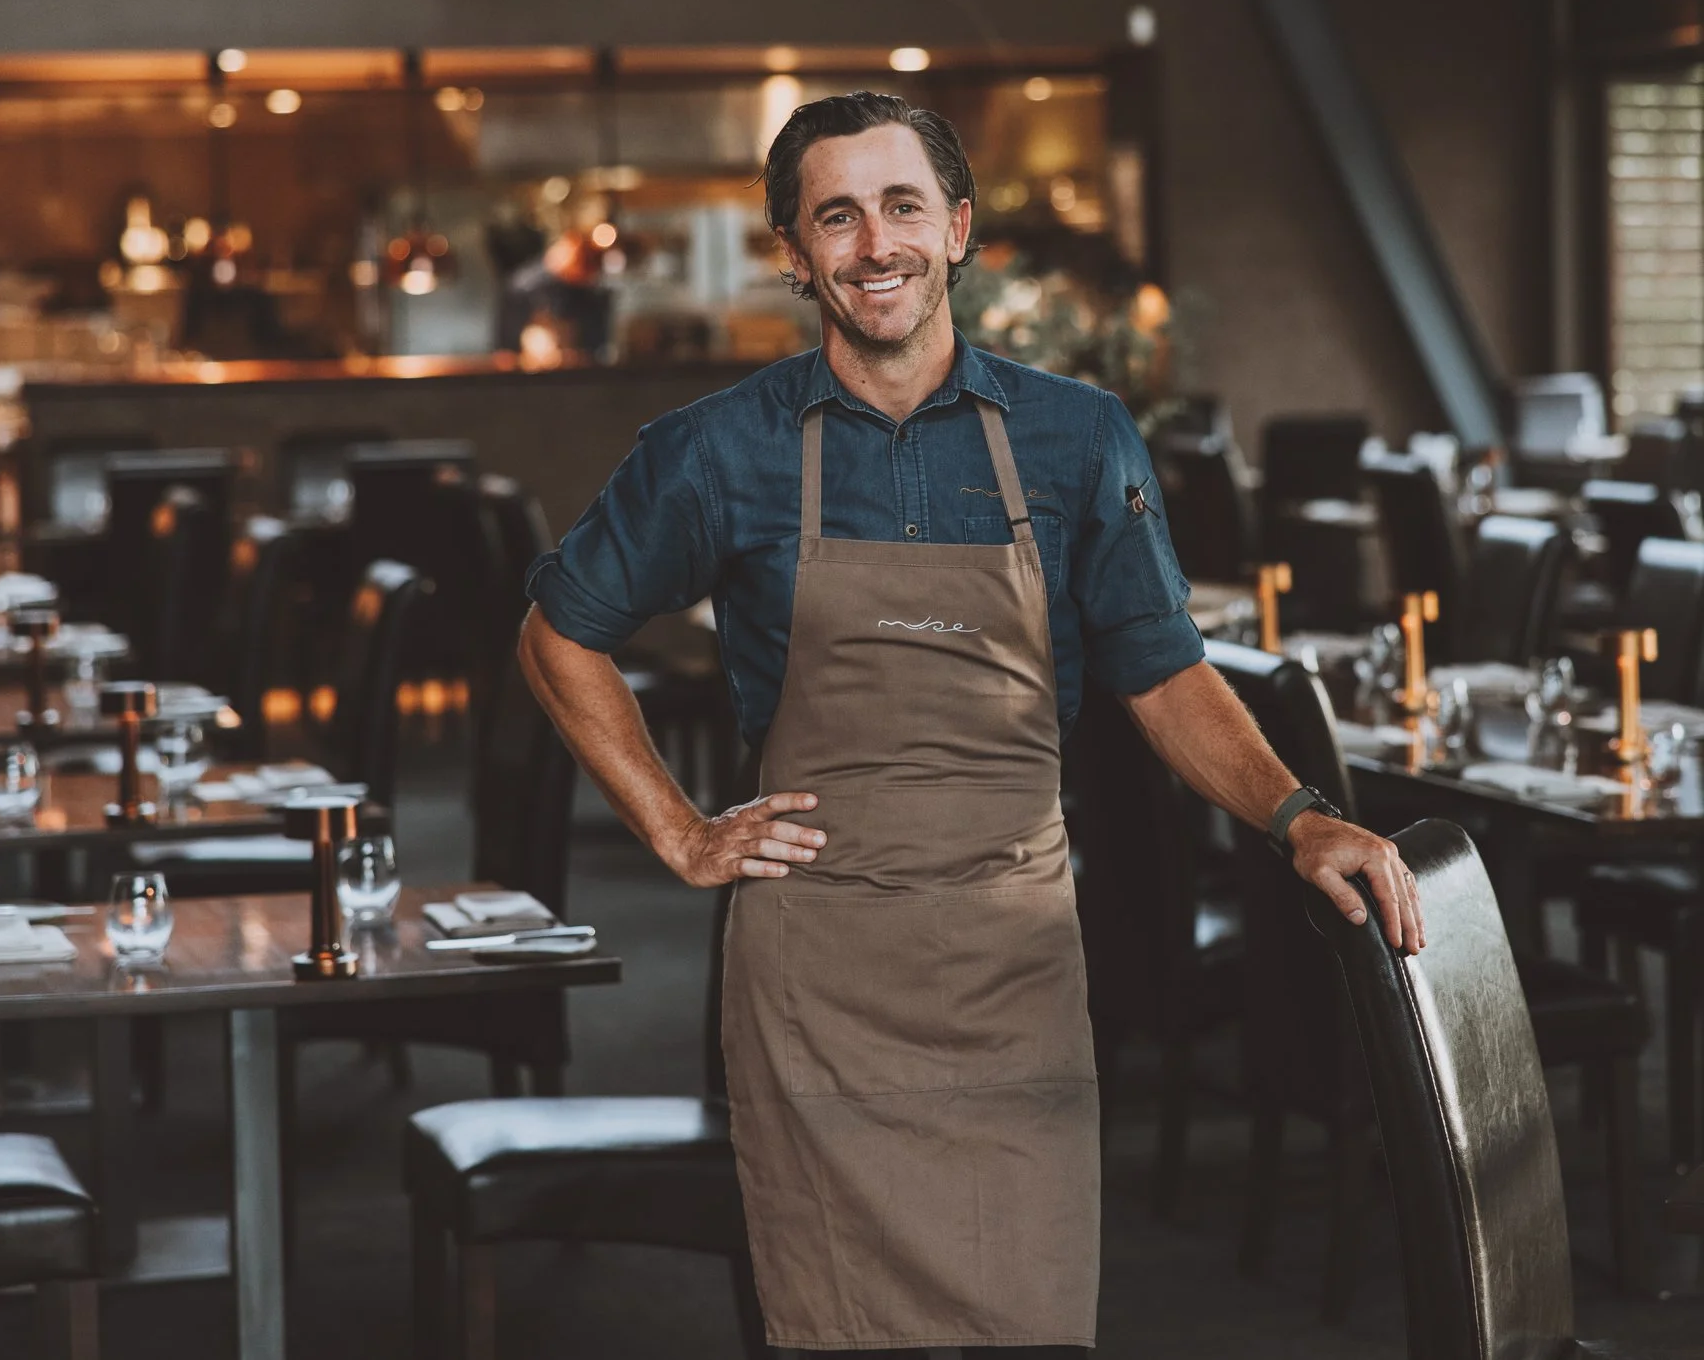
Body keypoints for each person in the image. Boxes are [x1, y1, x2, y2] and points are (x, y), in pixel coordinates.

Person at [519, 91, 1425, 1358]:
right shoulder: (712, 452)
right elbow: (560, 629)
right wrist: (676, 830)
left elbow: (1161, 670)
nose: (872, 243)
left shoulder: (1074, 436)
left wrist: (1298, 814)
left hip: (1015, 963)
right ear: (793, 251)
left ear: (956, 228)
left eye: (900, 207)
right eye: (834, 216)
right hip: (817, 975)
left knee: (1032, 1319)